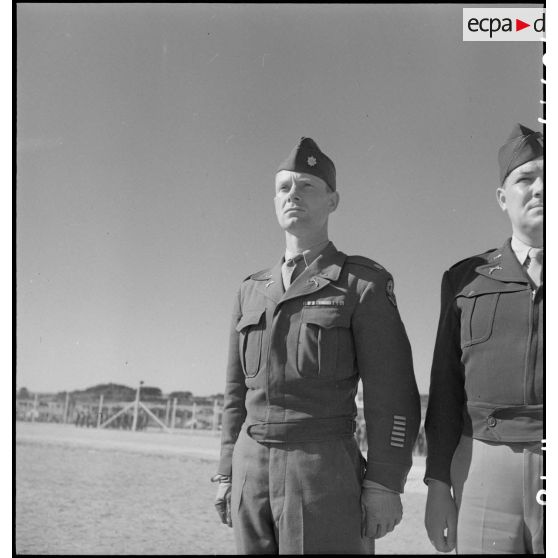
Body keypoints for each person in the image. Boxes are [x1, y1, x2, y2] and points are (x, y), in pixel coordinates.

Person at [212, 137, 420, 554]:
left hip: (322, 472)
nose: (294, 196)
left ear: (333, 200)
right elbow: (236, 396)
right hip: (250, 471)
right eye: (285, 188)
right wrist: (225, 473)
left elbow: (392, 394)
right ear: (274, 201)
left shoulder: (362, 284)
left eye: (307, 186)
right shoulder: (250, 291)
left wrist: (384, 482)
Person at [424, 123, 544, 554]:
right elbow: (445, 391)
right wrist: (438, 483)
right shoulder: (465, 280)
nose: (540, 189)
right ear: (502, 197)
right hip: (484, 466)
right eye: (525, 178)